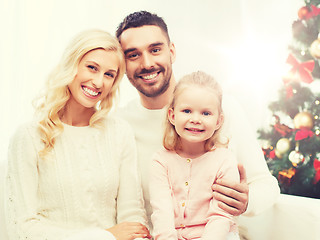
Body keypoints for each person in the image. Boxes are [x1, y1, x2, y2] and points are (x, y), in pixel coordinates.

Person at [114, 11, 280, 229]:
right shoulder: (120, 125)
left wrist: (247, 201)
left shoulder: (222, 108)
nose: (147, 63)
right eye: (133, 55)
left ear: (171, 51)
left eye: (155, 50)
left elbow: (267, 185)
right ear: (122, 63)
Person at [5, 29, 151, 240]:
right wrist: (104, 236)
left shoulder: (120, 133)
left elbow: (132, 218)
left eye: (109, 74)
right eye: (92, 68)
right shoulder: (28, 137)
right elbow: (22, 229)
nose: (99, 82)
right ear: (71, 65)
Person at [149, 71, 240, 240]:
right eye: (187, 111)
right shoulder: (160, 161)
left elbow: (221, 216)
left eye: (206, 113)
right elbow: (161, 212)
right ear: (172, 115)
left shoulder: (225, 160)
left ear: (219, 121)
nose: (196, 119)